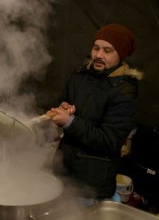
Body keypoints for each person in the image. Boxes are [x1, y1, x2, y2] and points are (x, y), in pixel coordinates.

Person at [47, 23, 143, 205]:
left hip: (90, 186)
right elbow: (63, 105)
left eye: (108, 50)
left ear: (120, 55)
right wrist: (63, 108)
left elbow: (109, 141)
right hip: (62, 173)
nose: (99, 55)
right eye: (96, 48)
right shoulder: (79, 76)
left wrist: (70, 122)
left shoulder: (125, 91)